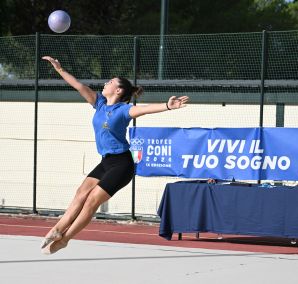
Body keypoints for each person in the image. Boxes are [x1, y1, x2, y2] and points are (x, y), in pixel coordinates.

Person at [41, 56, 189, 254]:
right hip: (106, 162)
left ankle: (65, 238)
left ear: (118, 90)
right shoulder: (100, 103)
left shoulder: (123, 110)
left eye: (110, 82)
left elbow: (144, 110)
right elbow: (78, 86)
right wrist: (59, 69)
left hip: (122, 165)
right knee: (80, 193)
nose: (105, 83)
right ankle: (59, 228)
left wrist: (168, 106)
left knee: (92, 200)